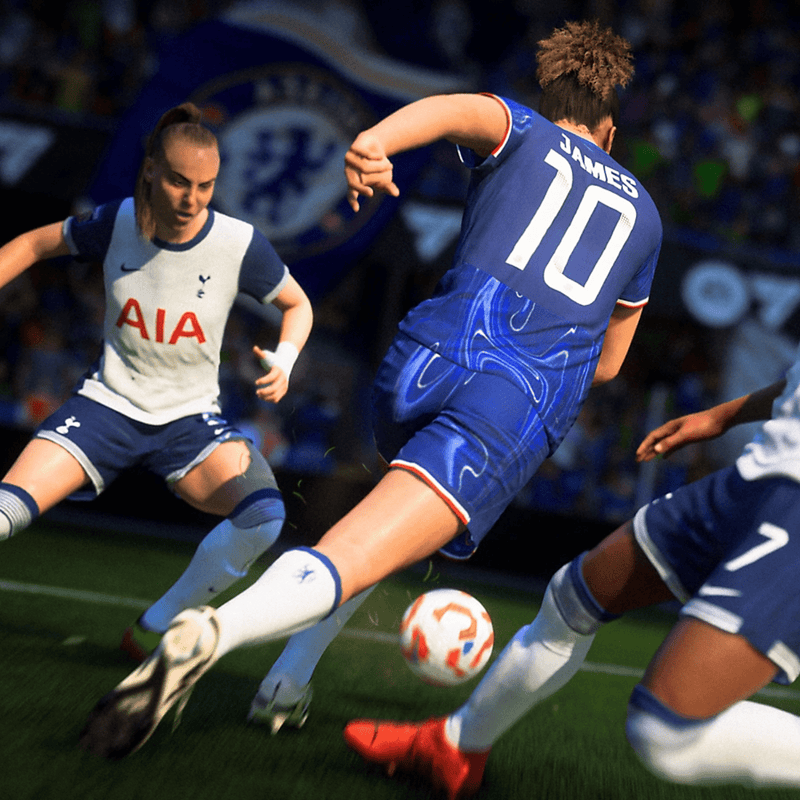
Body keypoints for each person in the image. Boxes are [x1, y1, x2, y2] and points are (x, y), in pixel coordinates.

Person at [78, 20, 663, 765]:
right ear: (610, 131)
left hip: (426, 356)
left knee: (378, 525)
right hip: (513, 399)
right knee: (358, 551)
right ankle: (213, 634)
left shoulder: (519, 125)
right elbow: (608, 366)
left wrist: (374, 144)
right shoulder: (645, 216)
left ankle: (288, 680)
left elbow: (451, 109)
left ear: (550, 104)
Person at [342, 366, 800, 799]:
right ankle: (456, 746)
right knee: (574, 599)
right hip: (759, 474)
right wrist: (721, 417)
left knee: (665, 732)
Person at [0, 102, 321, 661]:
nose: (192, 199)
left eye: (205, 186)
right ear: (150, 169)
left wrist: (286, 358)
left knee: (264, 520)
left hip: (190, 423)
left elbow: (299, 305)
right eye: (178, 181)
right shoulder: (116, 222)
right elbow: (30, 245)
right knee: (5, 513)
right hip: (105, 408)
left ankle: (156, 626)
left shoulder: (238, 242)